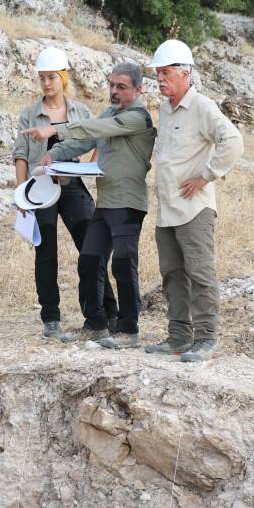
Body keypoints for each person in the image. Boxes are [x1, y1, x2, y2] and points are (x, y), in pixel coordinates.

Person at [21, 62, 157, 348]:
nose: (114, 91)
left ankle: (128, 330)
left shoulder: (138, 117)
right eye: (111, 85)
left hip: (128, 202)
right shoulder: (109, 112)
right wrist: (55, 152)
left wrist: (53, 130)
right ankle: (95, 325)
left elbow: (96, 128)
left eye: (121, 87)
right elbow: (85, 140)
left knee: (123, 264)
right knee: (89, 260)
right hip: (106, 202)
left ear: (138, 89)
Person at [143, 39, 243, 362]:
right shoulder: (165, 107)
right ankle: (178, 338)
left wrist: (206, 175)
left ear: (185, 73)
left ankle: (206, 338)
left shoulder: (202, 106)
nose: (160, 78)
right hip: (167, 210)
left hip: (195, 209)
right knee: (172, 274)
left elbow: (233, 141)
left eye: (166, 72)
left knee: (200, 273)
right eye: (158, 73)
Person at [12, 47, 117, 339]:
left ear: (63, 78)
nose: (46, 83)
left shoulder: (80, 112)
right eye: (42, 78)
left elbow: (101, 135)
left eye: (52, 77)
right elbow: (21, 155)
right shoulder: (30, 113)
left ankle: (107, 314)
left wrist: (92, 166)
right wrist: (21, 194)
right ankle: (51, 320)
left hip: (72, 185)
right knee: (46, 254)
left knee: (91, 248)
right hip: (39, 188)